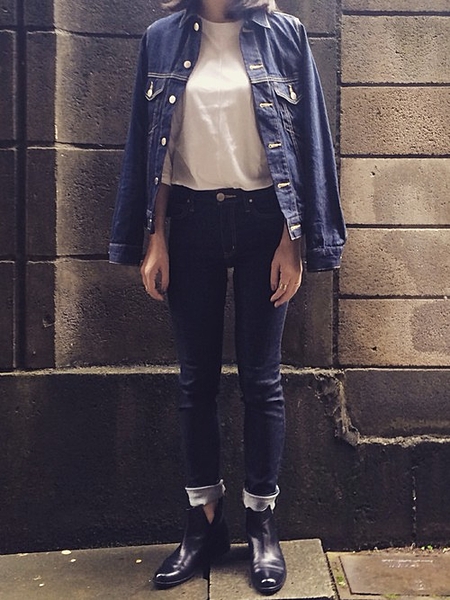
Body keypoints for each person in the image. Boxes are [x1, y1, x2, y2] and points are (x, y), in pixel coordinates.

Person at [109, 0, 346, 594]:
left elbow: (309, 140)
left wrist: (295, 241)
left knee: (262, 380)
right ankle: (204, 523)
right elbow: (152, 145)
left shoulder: (285, 34)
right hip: (190, 222)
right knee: (196, 381)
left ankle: (262, 523)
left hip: (266, 223)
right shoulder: (161, 38)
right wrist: (155, 237)